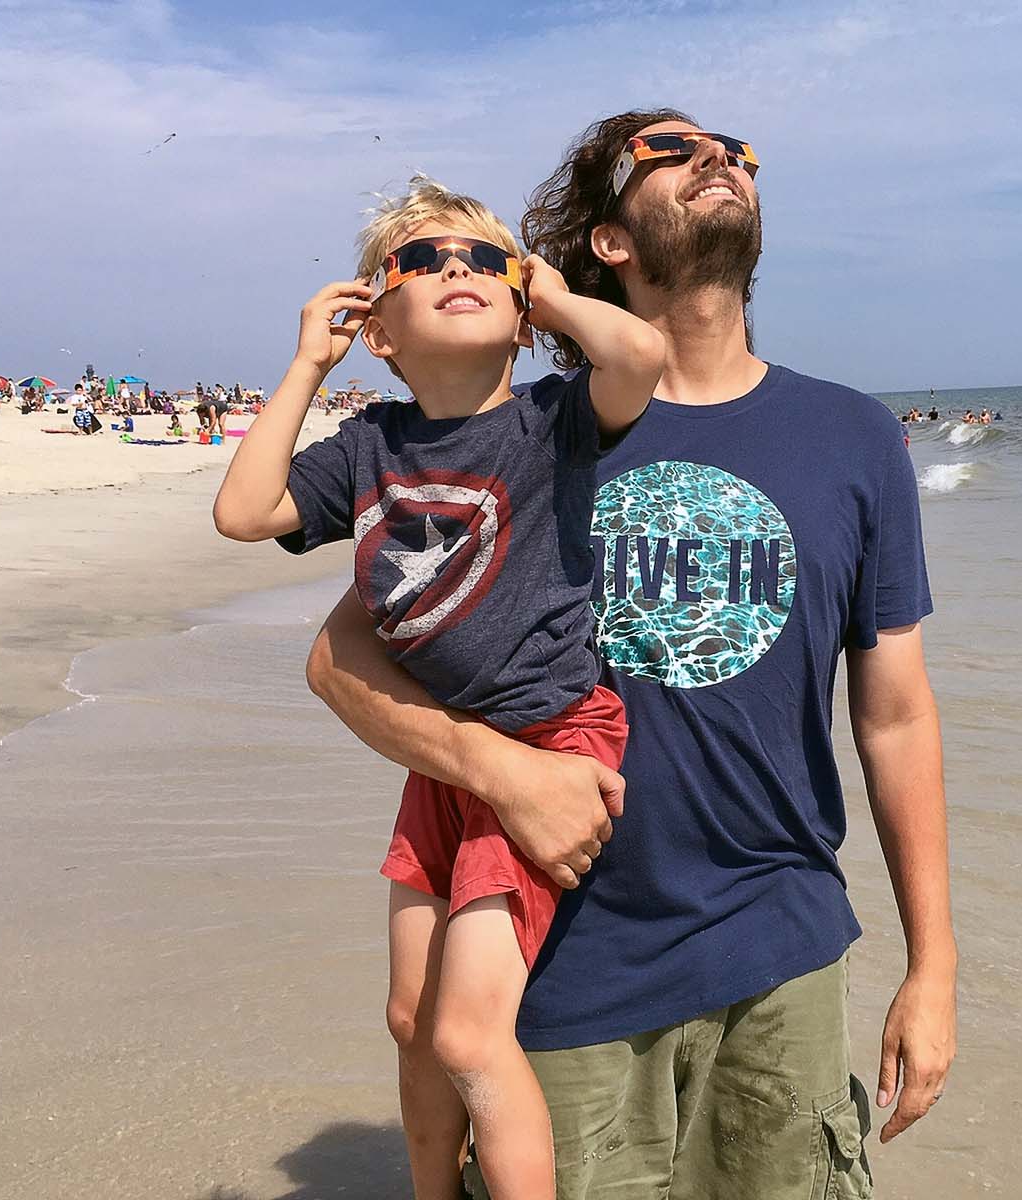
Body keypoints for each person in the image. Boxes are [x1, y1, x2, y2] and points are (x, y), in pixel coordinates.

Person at [304, 113, 952, 1200]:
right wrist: (503, 773)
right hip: (567, 961)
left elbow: (895, 717)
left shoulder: (854, 436)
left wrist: (933, 967)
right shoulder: (527, 433)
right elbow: (339, 662)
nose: (720, 160)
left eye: (737, 152)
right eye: (673, 152)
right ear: (607, 241)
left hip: (781, 951)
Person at [216, 177, 663, 1200]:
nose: (455, 270)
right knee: (411, 1020)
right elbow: (245, 513)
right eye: (420, 263)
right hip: (447, 752)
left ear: (519, 316)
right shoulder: (370, 444)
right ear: (379, 326)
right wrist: (304, 364)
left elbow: (640, 357)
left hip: (552, 741)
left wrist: (548, 292)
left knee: (467, 1030)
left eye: (481, 260)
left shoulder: (554, 419)